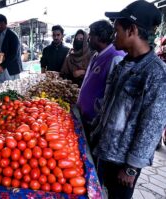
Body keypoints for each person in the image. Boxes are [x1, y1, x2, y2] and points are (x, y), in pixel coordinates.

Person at [90, 1, 166, 198]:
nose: (113, 36)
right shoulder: (124, 64)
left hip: (122, 163)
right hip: (104, 150)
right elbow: (109, 105)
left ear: (131, 30)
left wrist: (132, 168)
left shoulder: (155, 73)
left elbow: (152, 125)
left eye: (116, 31)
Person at [77, 20, 125, 136]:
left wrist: (97, 111)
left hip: (95, 123)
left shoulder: (116, 58)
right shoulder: (96, 54)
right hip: (85, 117)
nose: (88, 39)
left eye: (91, 35)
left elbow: (114, 95)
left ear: (98, 37)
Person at [0, 14, 23, 83]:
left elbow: (14, 54)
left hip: (11, 69)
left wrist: (2, 66)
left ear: (3, 23)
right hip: (2, 68)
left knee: (13, 90)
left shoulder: (12, 36)